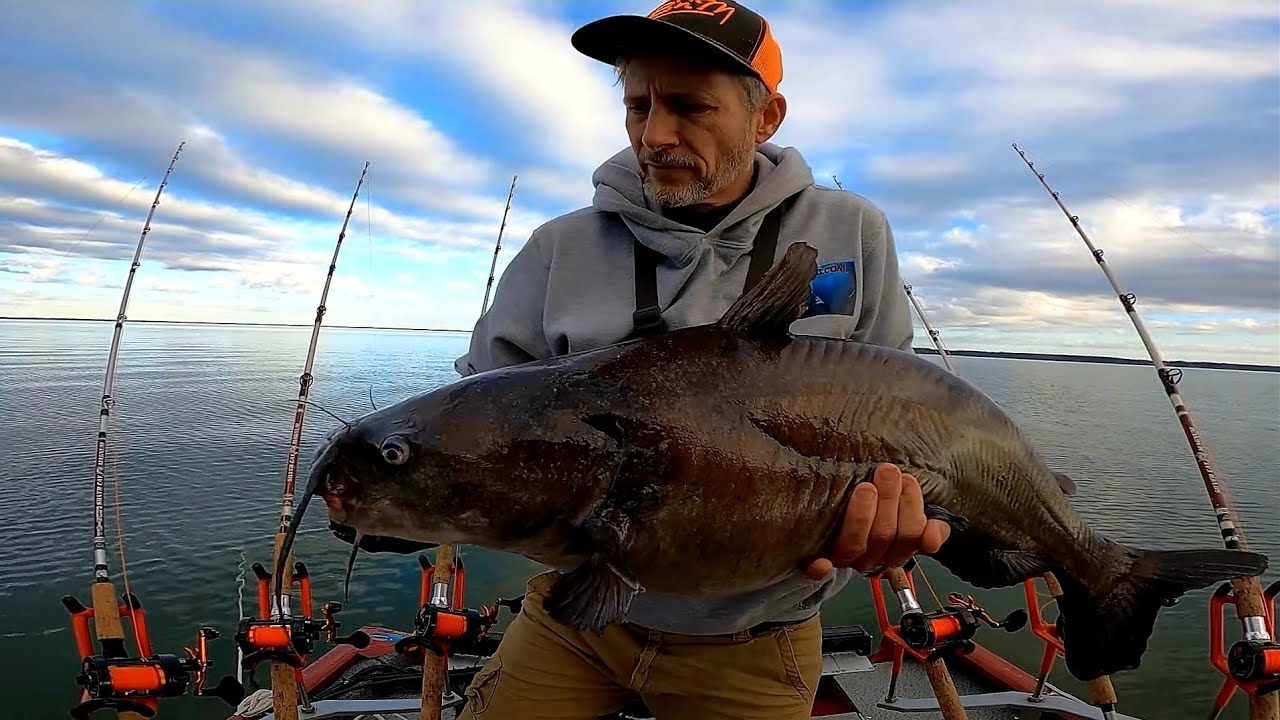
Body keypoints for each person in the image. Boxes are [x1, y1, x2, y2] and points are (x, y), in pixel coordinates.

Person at [452, 2, 951, 718]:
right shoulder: (558, 248)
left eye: (690, 107)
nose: (654, 135)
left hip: (758, 634)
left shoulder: (852, 229)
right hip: (575, 621)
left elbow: (902, 412)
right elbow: (475, 416)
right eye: (638, 106)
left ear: (766, 117)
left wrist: (895, 515)